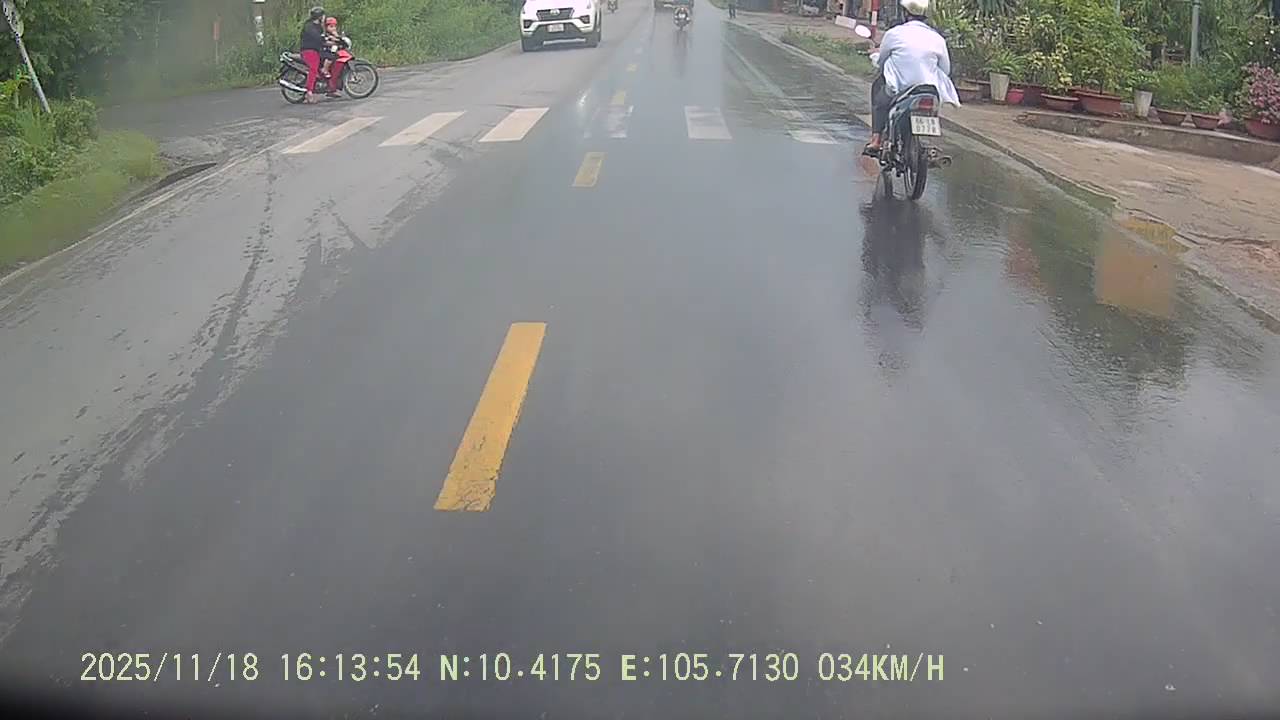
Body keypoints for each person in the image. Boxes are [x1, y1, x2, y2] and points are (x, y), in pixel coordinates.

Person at [863, 0, 959, 157]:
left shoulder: (894, 34)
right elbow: (945, 69)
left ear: (905, 14)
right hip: (929, 89)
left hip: (900, 88)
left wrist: (875, 56)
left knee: (878, 91)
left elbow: (881, 61)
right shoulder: (937, 39)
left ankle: (876, 139)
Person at [299, 7, 328, 104]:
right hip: (308, 50)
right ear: (319, 16)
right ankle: (309, 92)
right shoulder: (309, 26)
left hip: (317, 50)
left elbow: (323, 37)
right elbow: (318, 38)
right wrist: (325, 40)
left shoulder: (319, 26)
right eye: (323, 16)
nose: (324, 17)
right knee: (313, 68)